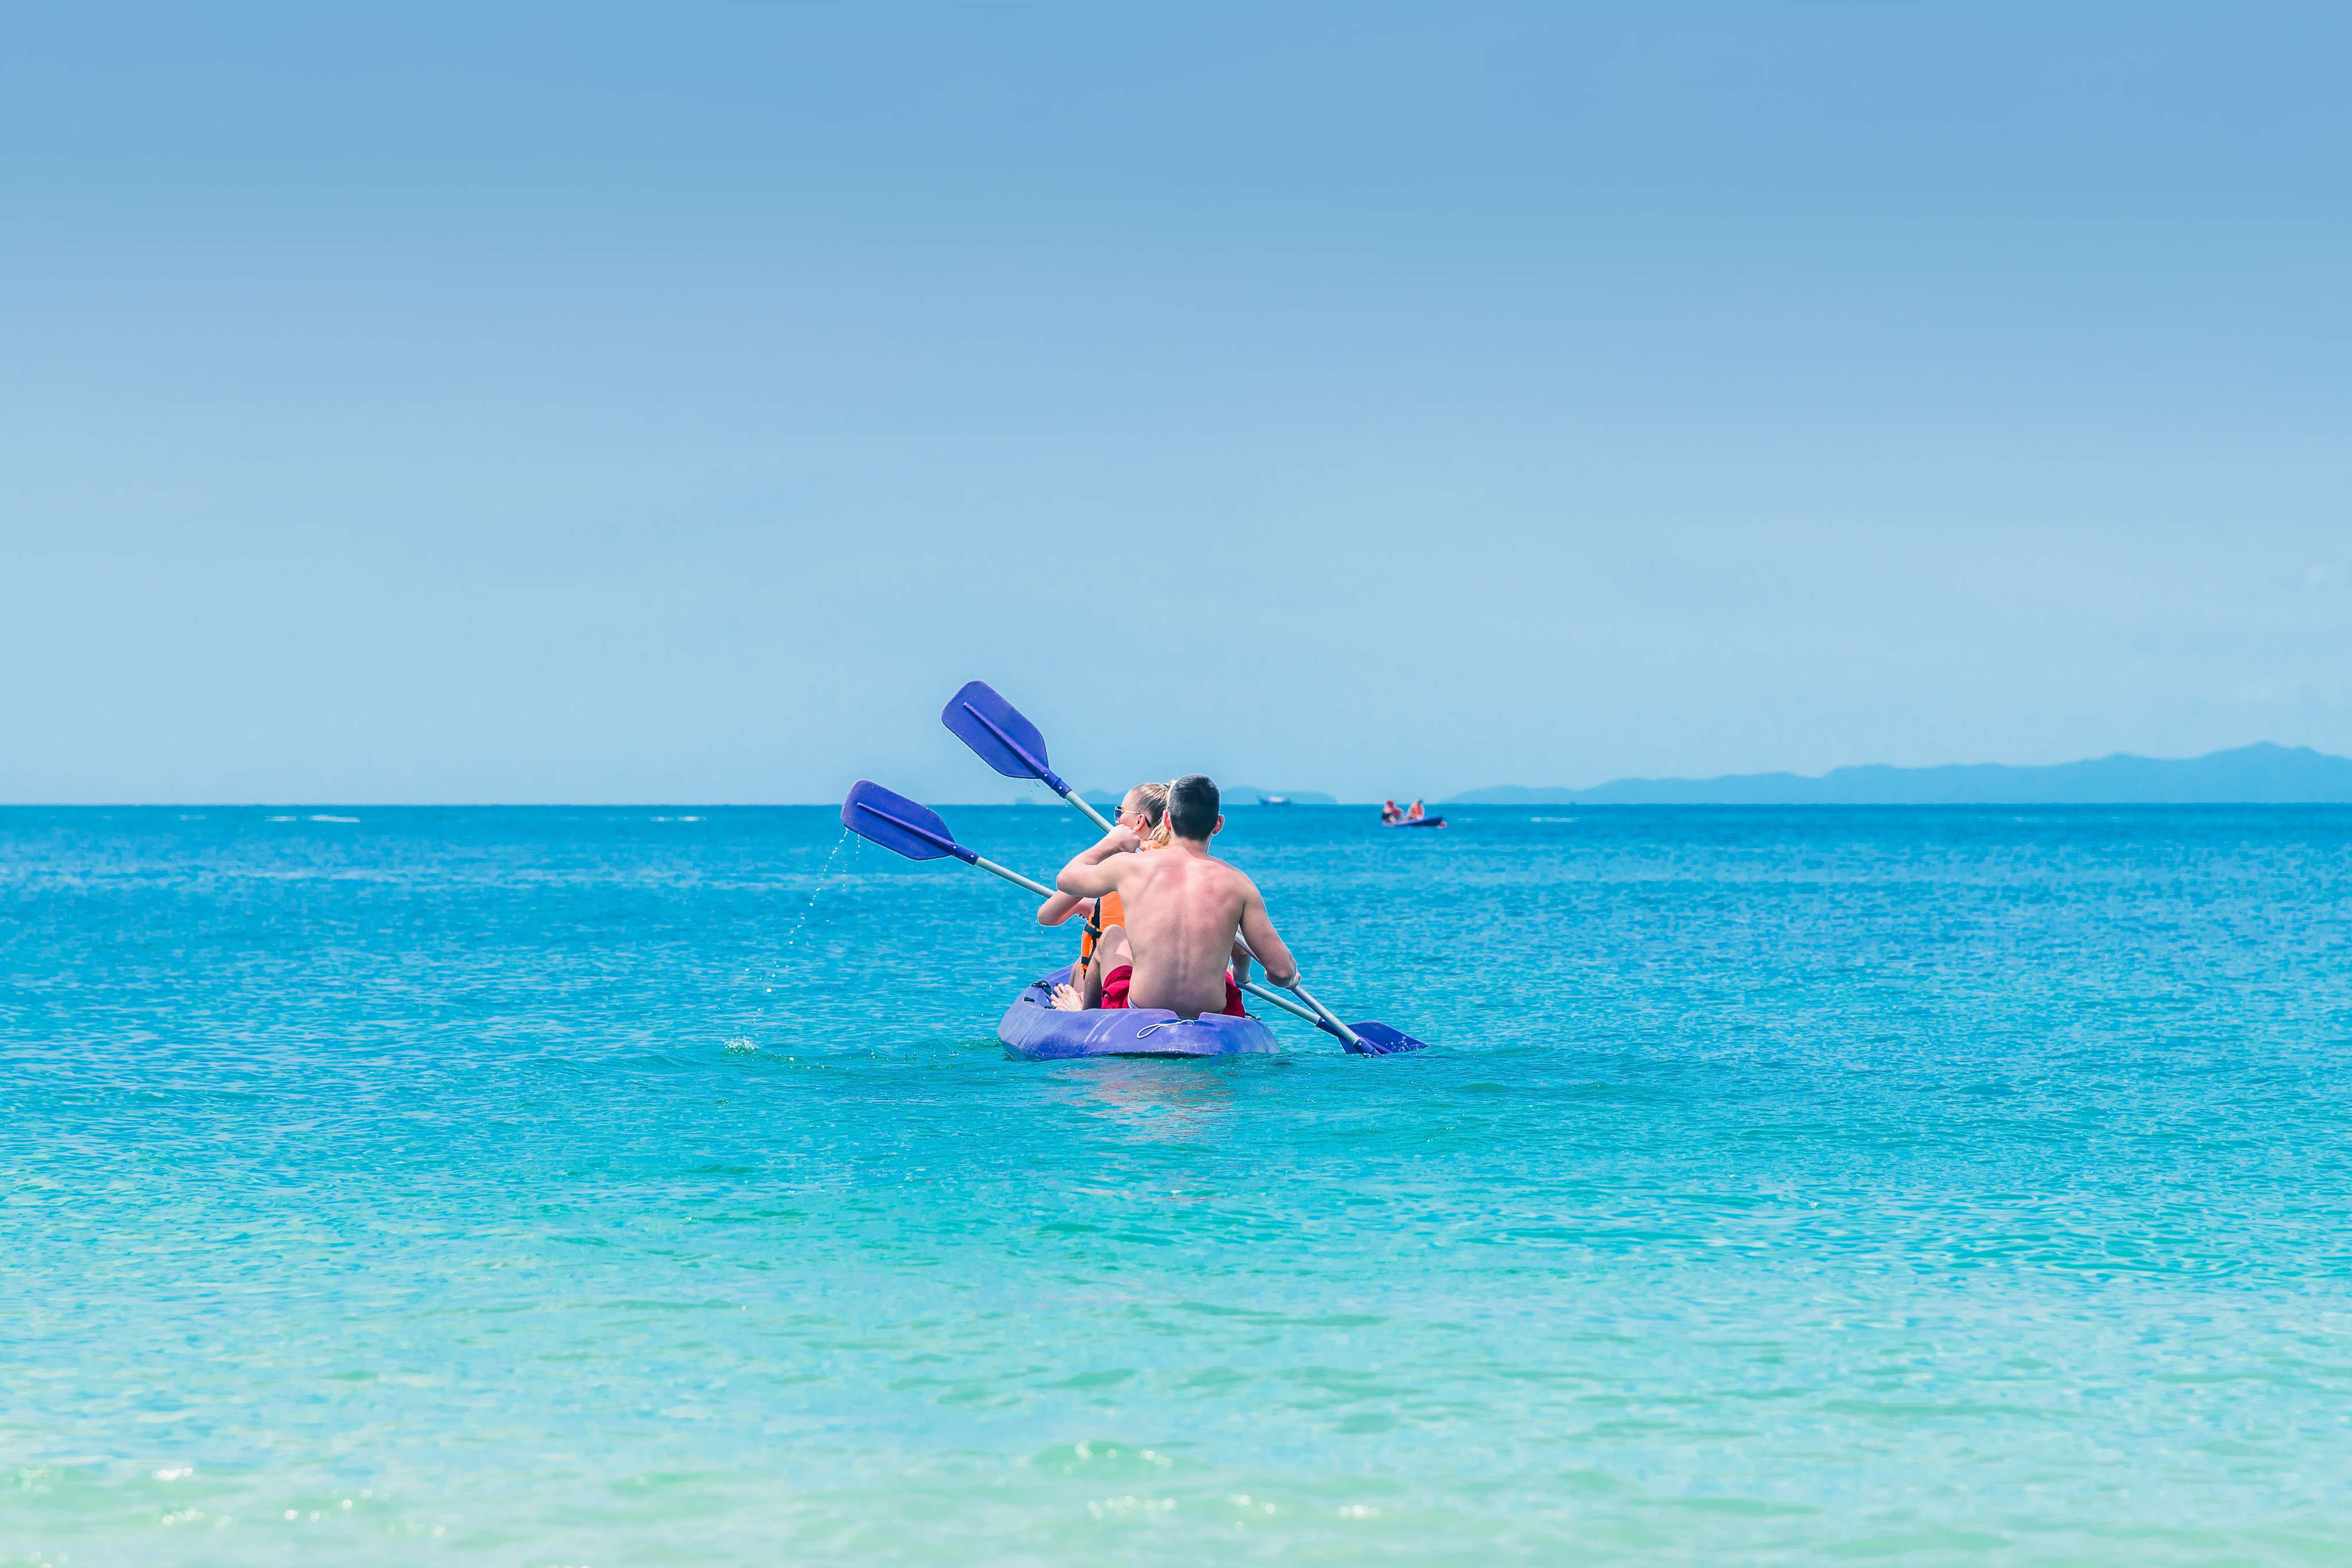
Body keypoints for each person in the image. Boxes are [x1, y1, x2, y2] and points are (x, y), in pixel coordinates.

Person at [1054, 774, 1299, 1017]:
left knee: (1112, 936)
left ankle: (1085, 1016)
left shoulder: (1130, 867)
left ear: (1167, 820)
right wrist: (1268, 975)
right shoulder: (1240, 885)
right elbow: (1282, 972)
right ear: (1218, 824)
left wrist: (1109, 844)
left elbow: (1066, 879)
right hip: (1211, 1014)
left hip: (1140, 1010)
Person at [1035, 782, 1168, 1008]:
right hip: (1164, 986)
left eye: (1120, 813)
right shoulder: (1177, 864)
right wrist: (1092, 906)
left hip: (1118, 990)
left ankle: (1080, 1010)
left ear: (1138, 821)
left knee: (1082, 964)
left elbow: (1047, 916)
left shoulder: (1115, 865)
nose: (1116, 820)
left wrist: (1108, 846)